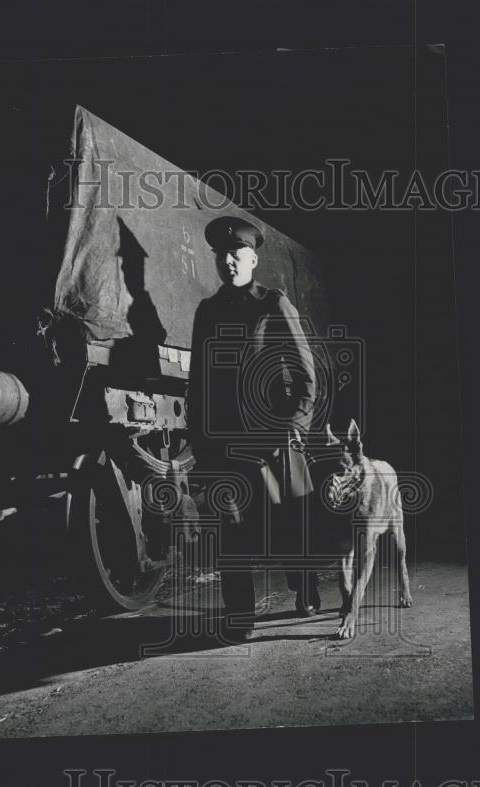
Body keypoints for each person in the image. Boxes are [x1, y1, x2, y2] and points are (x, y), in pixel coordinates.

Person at [188, 216, 320, 639]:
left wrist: (295, 426)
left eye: (237, 255)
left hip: (274, 440)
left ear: (253, 258)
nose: (228, 262)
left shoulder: (273, 304)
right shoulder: (207, 312)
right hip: (225, 444)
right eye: (221, 256)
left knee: (289, 525)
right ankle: (240, 615)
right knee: (231, 532)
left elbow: (305, 375)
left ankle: (304, 586)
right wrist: (200, 443)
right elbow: (199, 385)